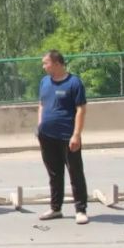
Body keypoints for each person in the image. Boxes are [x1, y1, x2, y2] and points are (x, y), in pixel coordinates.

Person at [37, 49, 89, 224]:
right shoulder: (44, 82)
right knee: (54, 173)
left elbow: (81, 109)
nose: (44, 66)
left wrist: (76, 135)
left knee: (75, 173)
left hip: (67, 136)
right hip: (47, 136)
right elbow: (42, 104)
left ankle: (81, 210)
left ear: (57, 64)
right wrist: (40, 126)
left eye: (46, 63)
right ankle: (55, 208)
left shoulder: (74, 83)